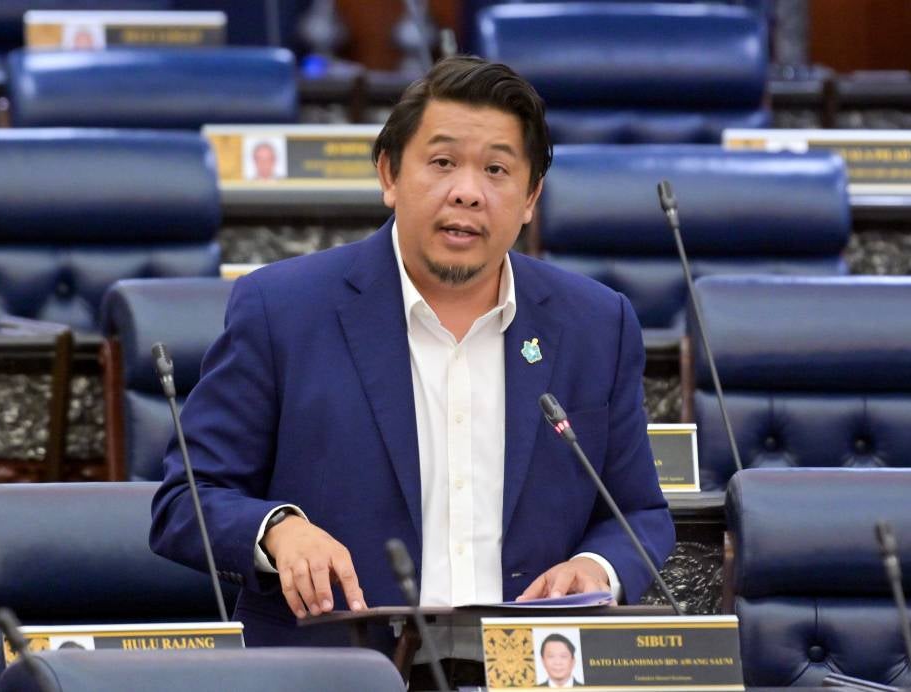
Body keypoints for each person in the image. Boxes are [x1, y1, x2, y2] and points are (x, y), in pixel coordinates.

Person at [150, 56, 674, 659]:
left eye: (497, 170)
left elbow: (638, 511)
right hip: (339, 670)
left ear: (531, 197)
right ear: (389, 175)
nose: (467, 192)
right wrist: (279, 530)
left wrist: (596, 565)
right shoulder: (283, 309)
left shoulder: (596, 324)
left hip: (525, 666)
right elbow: (184, 500)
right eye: (443, 161)